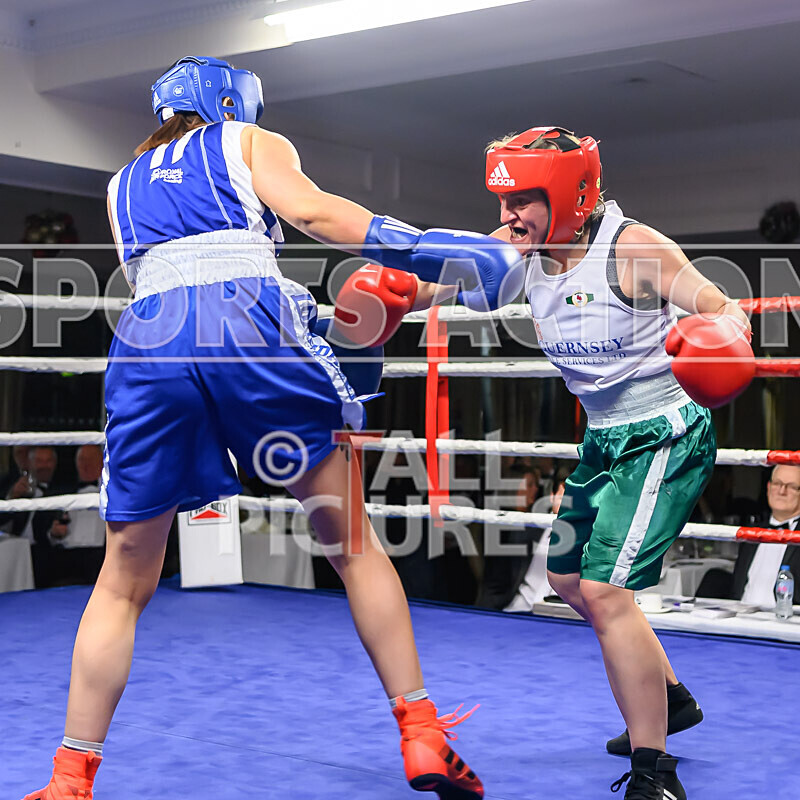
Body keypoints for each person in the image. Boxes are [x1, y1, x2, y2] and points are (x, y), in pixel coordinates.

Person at [23, 56, 523, 800]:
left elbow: (175, 285)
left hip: (149, 342)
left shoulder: (118, 187)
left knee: (123, 582)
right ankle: (421, 732)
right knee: (351, 543)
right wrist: (430, 250)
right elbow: (316, 216)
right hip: (246, 324)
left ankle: (68, 781)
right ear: (230, 104)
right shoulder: (248, 142)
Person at [338, 127, 754, 799]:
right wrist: (381, 297)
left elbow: (722, 306)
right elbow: (432, 292)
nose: (506, 219)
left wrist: (723, 334)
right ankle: (669, 698)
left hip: (666, 438)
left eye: (522, 202)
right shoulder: (515, 253)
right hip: (603, 440)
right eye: (502, 203)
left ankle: (655, 770)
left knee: (606, 592)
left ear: (571, 197)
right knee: (564, 577)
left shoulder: (634, 248)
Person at [697, 464, 800, 603]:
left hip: (785, 621)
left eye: (791, 486)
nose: (782, 491)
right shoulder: (751, 532)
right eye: (777, 483)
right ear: (768, 488)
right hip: (742, 618)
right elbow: (737, 589)